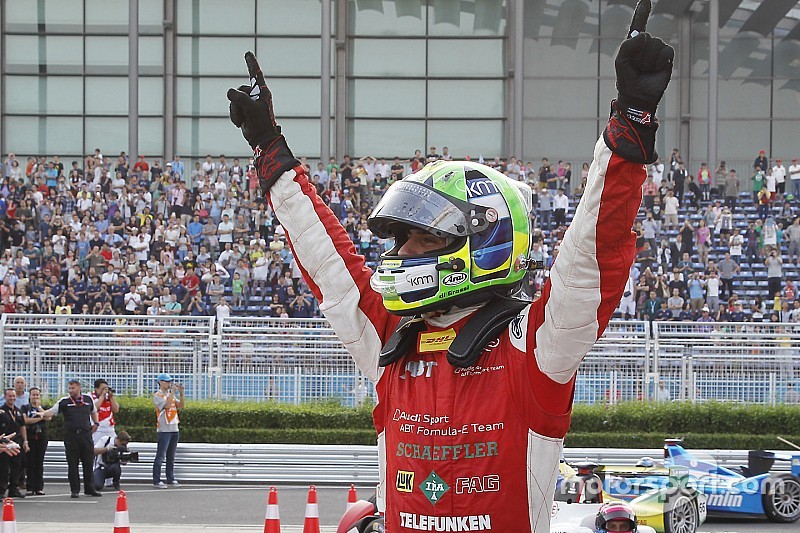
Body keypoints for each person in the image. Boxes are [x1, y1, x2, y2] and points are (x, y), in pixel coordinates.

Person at [226, 4, 673, 528]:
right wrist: (270, 152)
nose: (402, 253)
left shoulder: (535, 346)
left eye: (420, 237)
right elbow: (328, 263)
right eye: (403, 238)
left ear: (482, 240)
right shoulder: (390, 337)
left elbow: (590, 257)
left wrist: (630, 125)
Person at [42, 379, 103, 498]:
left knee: (88, 462)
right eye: (69, 388)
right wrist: (42, 413)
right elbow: (52, 412)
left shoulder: (87, 400)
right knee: (72, 464)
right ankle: (74, 490)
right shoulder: (64, 401)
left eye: (73, 388)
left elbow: (94, 411)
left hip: (85, 435)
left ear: (79, 388)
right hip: (71, 436)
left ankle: (90, 488)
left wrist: (96, 423)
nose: (71, 391)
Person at [152, 373, 184, 488]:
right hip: (164, 429)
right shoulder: (158, 395)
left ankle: (170, 478)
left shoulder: (170, 395)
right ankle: (156, 480)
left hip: (174, 427)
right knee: (161, 455)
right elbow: (167, 405)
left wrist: (181, 393)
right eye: (166, 381)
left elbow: (180, 405)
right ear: (160, 382)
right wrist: (173, 393)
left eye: (169, 381)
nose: (169, 384)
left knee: (171, 456)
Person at [21, 387, 48, 496]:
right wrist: (40, 418)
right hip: (30, 436)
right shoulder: (25, 407)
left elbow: (48, 417)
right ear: (29, 396)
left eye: (37, 395)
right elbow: (26, 420)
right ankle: (30, 487)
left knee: (39, 462)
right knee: (30, 462)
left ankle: (39, 487)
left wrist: (40, 409)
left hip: (41, 437)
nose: (35, 397)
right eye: (33, 395)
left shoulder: (43, 408)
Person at [0, 389, 27, 498]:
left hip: (17, 442)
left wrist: (25, 441)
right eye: (9, 396)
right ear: (5, 397)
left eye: (13, 396)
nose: (12, 398)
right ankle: (1, 490)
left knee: (17, 467)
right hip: (4, 443)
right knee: (3, 468)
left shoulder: (18, 411)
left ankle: (13, 489)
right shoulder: (1, 411)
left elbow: (22, 426)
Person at [91, 379, 119, 445]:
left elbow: (116, 409)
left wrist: (111, 397)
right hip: (98, 429)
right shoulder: (90, 396)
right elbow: (94, 408)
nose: (105, 390)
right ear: (96, 389)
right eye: (102, 389)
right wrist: (102, 396)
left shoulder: (108, 397)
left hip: (110, 428)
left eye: (106, 388)